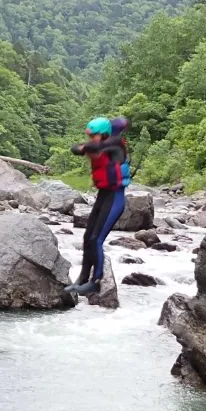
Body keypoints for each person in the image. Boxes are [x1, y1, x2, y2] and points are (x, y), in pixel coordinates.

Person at [64, 116, 131, 295]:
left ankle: (97, 281)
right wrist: (81, 148)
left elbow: (95, 147)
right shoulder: (103, 141)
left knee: (97, 239)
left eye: (93, 135)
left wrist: (83, 148)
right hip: (104, 196)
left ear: (102, 134)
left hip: (115, 198)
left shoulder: (115, 144)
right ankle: (83, 279)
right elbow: (76, 149)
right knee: (88, 237)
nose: (90, 138)